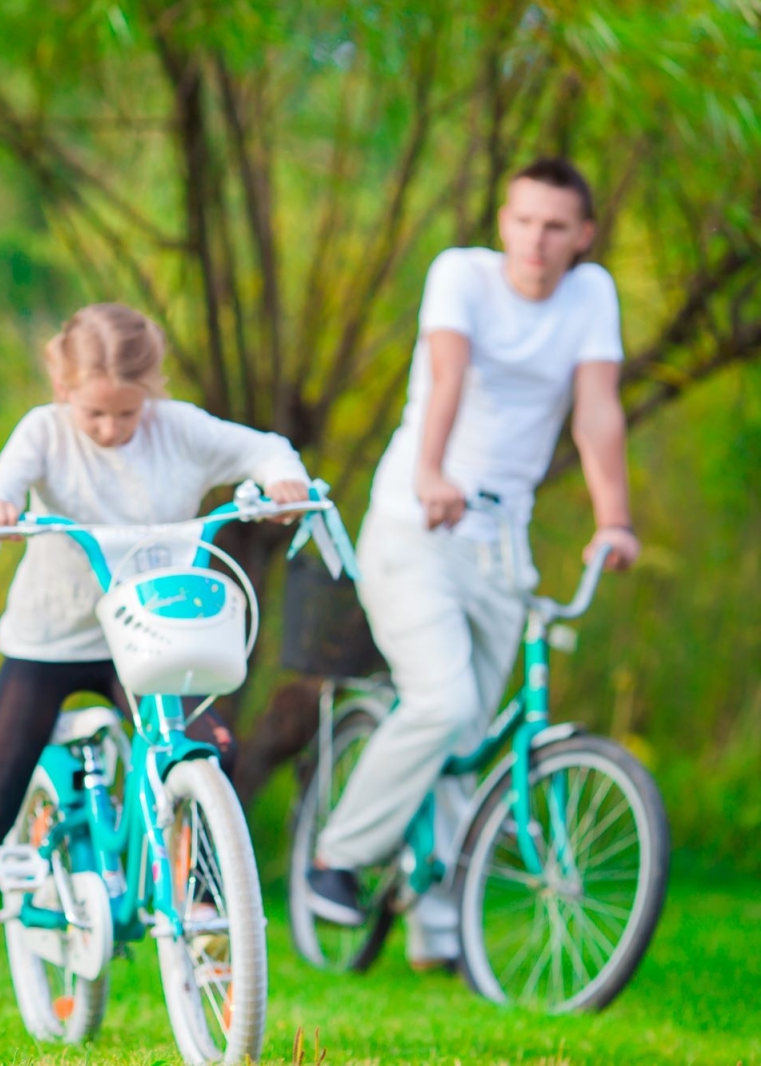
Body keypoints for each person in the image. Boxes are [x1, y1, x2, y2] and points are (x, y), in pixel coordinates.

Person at [0, 302, 311, 1047]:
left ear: (152, 391)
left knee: (207, 748)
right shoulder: (44, 431)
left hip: (148, 630)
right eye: (94, 412)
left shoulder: (180, 429)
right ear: (62, 386)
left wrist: (284, 482)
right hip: (53, 636)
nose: (109, 428)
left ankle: (199, 907)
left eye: (126, 412)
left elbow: (265, 449)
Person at [306, 159, 639, 969]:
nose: (537, 240)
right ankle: (337, 857)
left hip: (501, 542)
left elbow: (596, 413)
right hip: (413, 522)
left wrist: (615, 519)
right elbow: (446, 376)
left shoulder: (591, 296)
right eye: (524, 221)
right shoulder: (461, 276)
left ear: (583, 237)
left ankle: (435, 927)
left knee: (480, 733)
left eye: (556, 226)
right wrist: (430, 471)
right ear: (503, 222)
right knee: (445, 699)